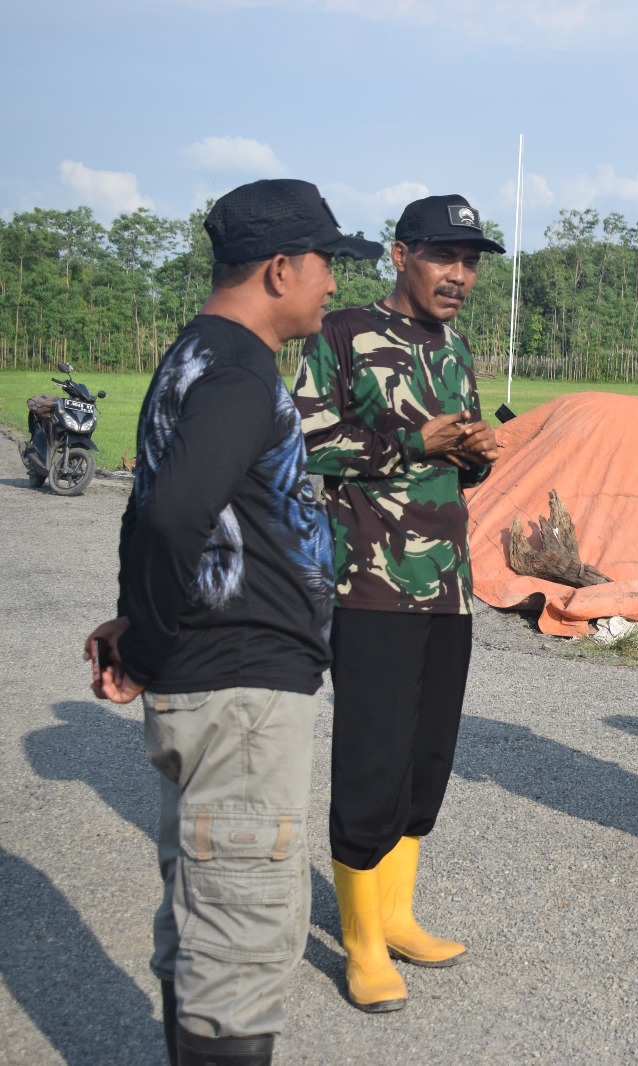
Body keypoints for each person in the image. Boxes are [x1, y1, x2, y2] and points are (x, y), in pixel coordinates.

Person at [84, 179, 381, 1066]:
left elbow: (157, 513)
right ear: (281, 269)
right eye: (327, 265)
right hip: (242, 695)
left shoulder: (194, 355)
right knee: (239, 951)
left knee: (206, 929)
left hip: (216, 681)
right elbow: (175, 515)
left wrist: (141, 620)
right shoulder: (244, 372)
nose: (334, 286)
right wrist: (146, 639)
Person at [293, 194, 503, 1012]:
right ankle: (360, 941)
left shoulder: (455, 345)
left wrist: (476, 450)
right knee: (373, 756)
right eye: (445, 257)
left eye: (472, 260)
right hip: (370, 584)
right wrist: (418, 441)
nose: (461, 275)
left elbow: (464, 447)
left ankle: (400, 913)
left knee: (426, 756)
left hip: (449, 583)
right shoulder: (340, 333)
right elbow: (308, 439)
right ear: (401, 254)